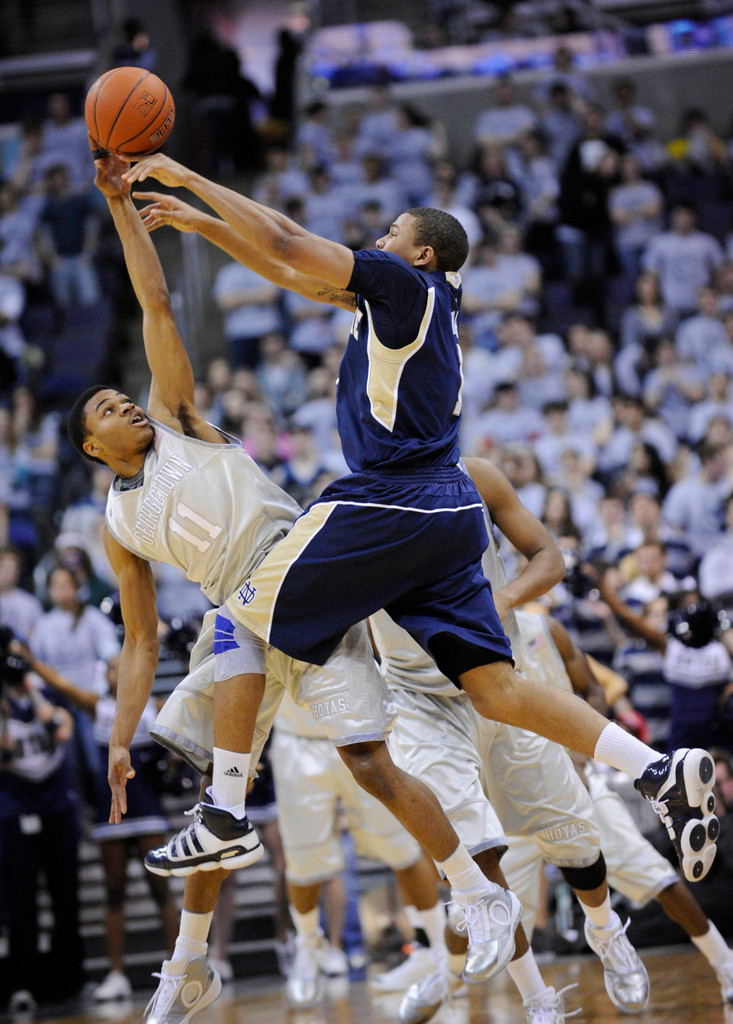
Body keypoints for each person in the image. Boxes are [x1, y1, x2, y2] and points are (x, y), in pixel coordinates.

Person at [120, 148, 719, 887]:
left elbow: (282, 242)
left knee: (240, 616)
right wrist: (196, 220)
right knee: (494, 689)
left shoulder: (404, 284)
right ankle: (656, 767)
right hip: (450, 510)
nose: (379, 238)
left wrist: (184, 178)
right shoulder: (412, 302)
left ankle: (225, 813)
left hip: (391, 497)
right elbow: (284, 265)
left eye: (393, 230)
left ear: (422, 250)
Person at [68, 142, 526, 1002]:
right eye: (106, 408)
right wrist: (121, 736)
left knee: (349, 764)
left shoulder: (177, 420)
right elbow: (135, 640)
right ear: (95, 449)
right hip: (249, 622)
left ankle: (473, 893)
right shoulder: (116, 525)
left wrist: (124, 207)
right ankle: (189, 964)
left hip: (298, 572)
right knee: (296, 767)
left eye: (119, 393)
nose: (124, 401)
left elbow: (154, 298)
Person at [502, 606, 733, 1008]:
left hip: (572, 779)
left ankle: (724, 962)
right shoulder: (457, 635)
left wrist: (577, 746)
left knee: (659, 878)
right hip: (508, 795)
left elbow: (594, 688)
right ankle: (455, 981)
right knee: (492, 921)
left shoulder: (542, 627)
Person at [12, 645, 179, 1002]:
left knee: (161, 890)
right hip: (112, 810)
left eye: (124, 667)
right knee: (114, 892)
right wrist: (30, 661)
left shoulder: (158, 706)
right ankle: (117, 974)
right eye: (114, 669)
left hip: (148, 805)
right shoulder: (99, 706)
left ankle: (179, 970)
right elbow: (61, 683)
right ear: (107, 676)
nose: (118, 673)